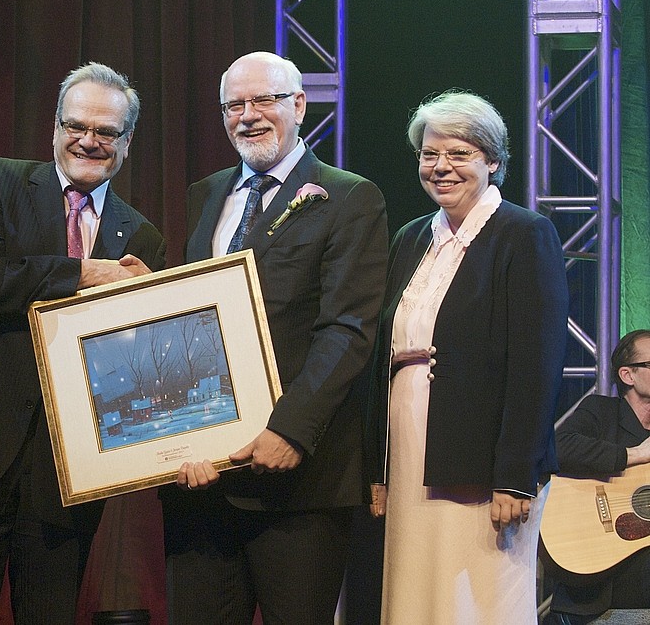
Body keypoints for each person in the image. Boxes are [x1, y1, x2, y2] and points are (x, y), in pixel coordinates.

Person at [162, 51, 389, 624]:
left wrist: (289, 429)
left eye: (263, 100)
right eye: (233, 105)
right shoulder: (204, 195)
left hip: (300, 481)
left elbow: (348, 329)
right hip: (204, 483)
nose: (247, 116)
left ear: (299, 106)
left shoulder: (350, 197)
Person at [0, 62, 166, 623]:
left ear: (127, 142)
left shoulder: (141, 237)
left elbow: (132, 363)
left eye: (106, 132)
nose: (88, 141)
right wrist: (83, 274)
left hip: (70, 474)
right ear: (55, 127)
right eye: (76, 125)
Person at [365, 89, 569, 623]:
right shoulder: (412, 238)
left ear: (493, 161)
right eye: (430, 154)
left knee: (478, 594)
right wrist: (378, 464)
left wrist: (515, 475)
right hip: (412, 448)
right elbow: (382, 356)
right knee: (414, 585)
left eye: (459, 154)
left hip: (485, 460)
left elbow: (537, 364)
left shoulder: (524, 234)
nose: (442, 167)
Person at [549, 329, 650, 623]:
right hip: (601, 591)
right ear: (628, 375)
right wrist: (636, 455)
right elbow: (558, 447)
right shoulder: (602, 412)